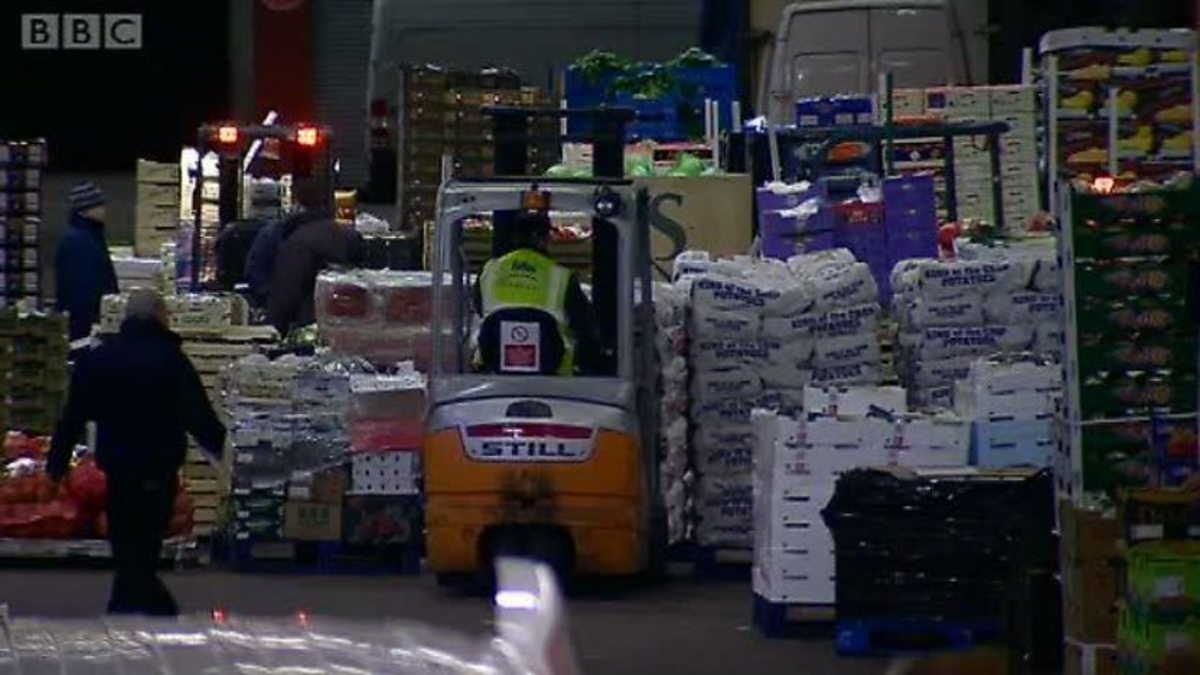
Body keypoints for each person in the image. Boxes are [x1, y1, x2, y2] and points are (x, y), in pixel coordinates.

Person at [47, 288, 226, 616]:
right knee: (143, 547)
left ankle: (132, 611)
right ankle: (150, 613)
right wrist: (225, 455)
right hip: (158, 468)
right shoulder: (172, 360)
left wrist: (56, 465)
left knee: (128, 544)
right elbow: (199, 416)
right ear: (161, 316)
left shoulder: (100, 359)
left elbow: (72, 416)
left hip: (117, 469)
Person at [474, 209, 598, 375]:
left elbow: (479, 308)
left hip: (492, 375)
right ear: (544, 239)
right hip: (554, 381)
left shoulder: (489, 270)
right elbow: (585, 329)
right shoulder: (561, 277)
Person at [266, 180, 364, 334]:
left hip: (310, 325)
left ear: (297, 204)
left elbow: (287, 291)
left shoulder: (298, 242)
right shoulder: (351, 235)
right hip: (350, 322)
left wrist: (273, 329)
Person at [56, 182, 118, 342]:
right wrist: (94, 321)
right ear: (85, 210)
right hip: (84, 326)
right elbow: (83, 287)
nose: (104, 209)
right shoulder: (79, 242)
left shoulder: (91, 236)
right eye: (99, 205)